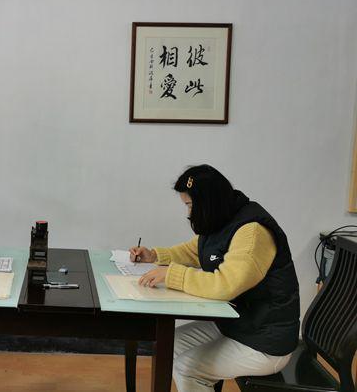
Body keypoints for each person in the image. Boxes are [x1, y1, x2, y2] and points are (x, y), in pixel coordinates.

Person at [129, 164, 300, 392]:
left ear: (207, 202)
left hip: (265, 342)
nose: (188, 213)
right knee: (168, 345)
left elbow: (225, 285)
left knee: (187, 367)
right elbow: (196, 251)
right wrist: (155, 255)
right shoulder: (224, 217)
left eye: (190, 205)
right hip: (239, 324)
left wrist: (172, 275)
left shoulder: (252, 233)